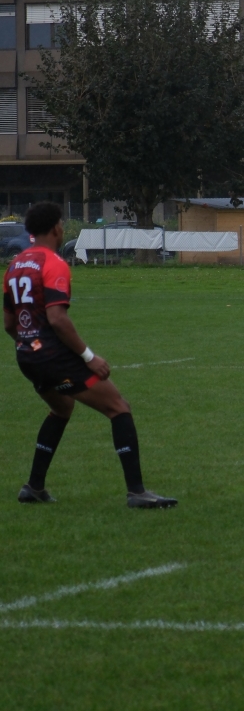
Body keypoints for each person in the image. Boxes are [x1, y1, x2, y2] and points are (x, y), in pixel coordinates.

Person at [3, 202, 176, 509]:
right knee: (119, 408)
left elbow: (8, 323)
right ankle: (137, 493)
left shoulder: (14, 265)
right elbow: (57, 319)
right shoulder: (53, 263)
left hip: (27, 356)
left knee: (62, 408)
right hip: (53, 357)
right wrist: (88, 356)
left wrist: (29, 344)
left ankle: (34, 487)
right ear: (56, 228)